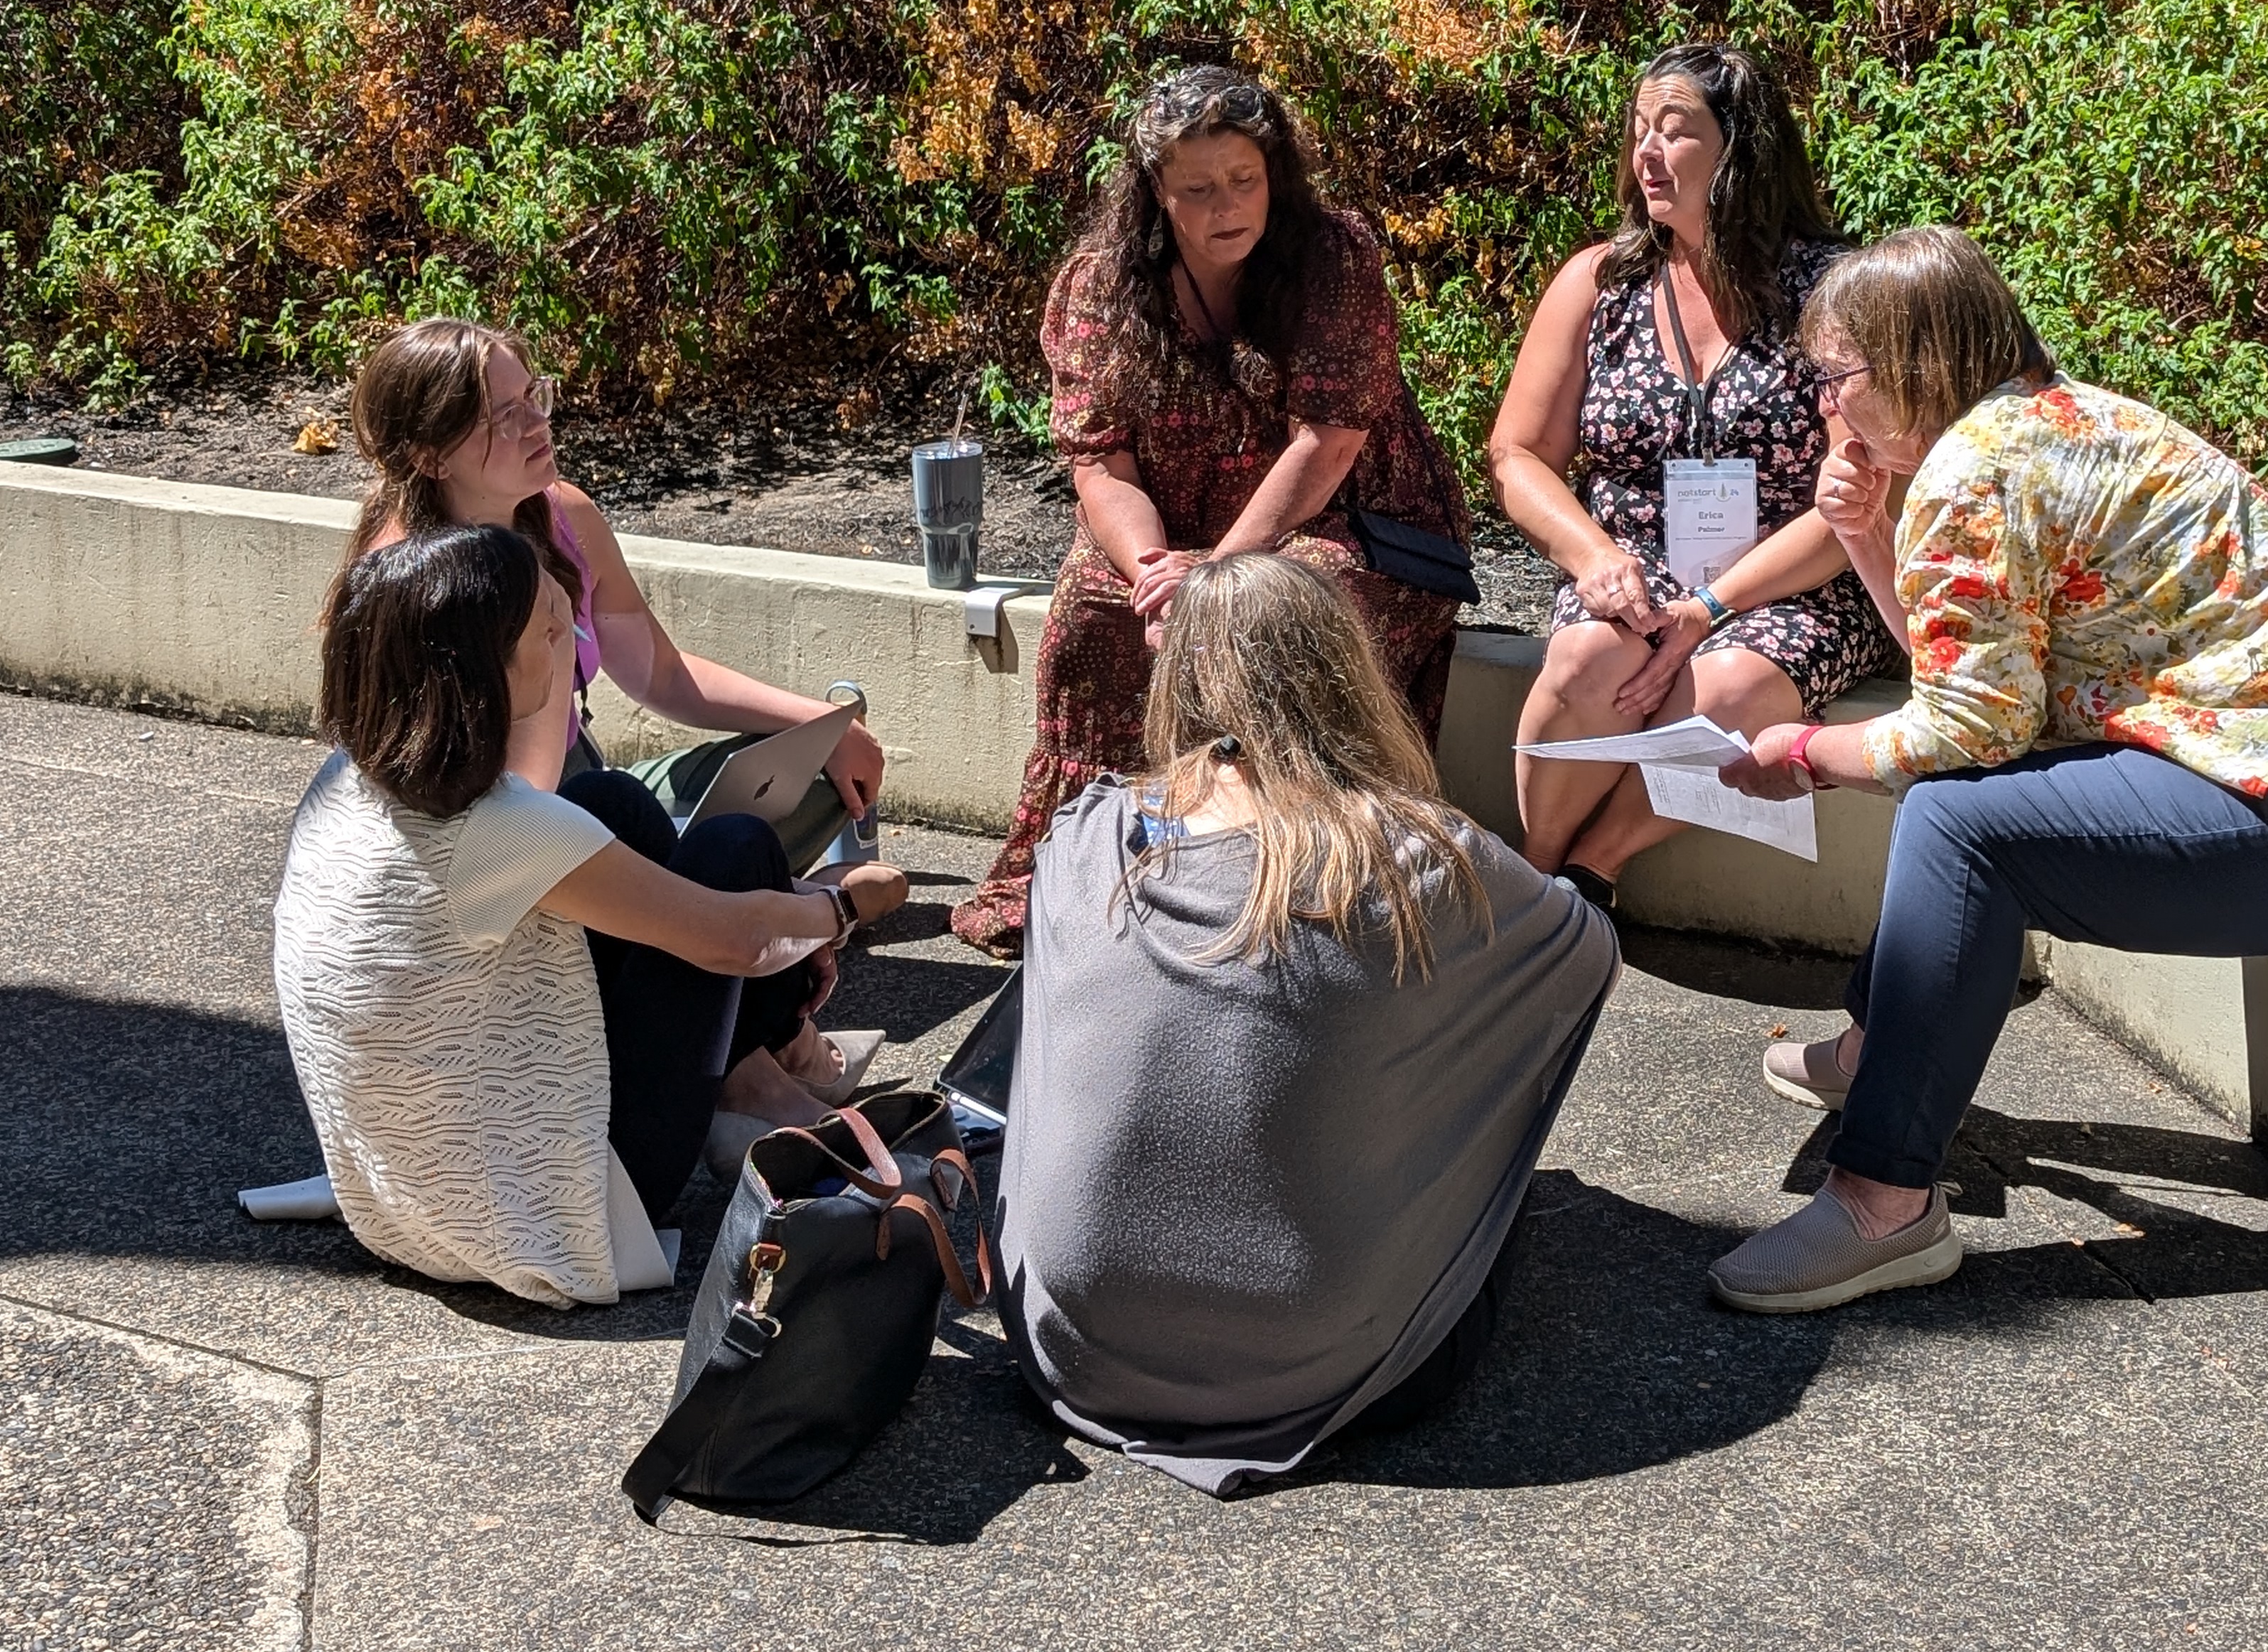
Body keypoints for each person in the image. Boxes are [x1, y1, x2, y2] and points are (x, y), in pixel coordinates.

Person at [1705, 227, 2268, 1312]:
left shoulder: (1977, 475)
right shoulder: (2047, 420)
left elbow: (1969, 734)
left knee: (1957, 825)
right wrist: (1866, 533)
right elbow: (1963, 694)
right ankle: (1881, 1049)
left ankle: (1886, 1205)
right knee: (1954, 803)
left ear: (1916, 363)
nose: (1824, 408)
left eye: (1835, 378)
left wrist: (1805, 755)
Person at [995, 553, 1618, 1494]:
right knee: (1484, 1127)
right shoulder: (1427, 862)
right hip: (1341, 1364)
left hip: (1073, 1346)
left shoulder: (1087, 835)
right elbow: (1583, 955)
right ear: (1348, 672)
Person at [271, 527, 907, 1308]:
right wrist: (844, 904)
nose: (566, 638)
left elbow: (538, 793)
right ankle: (763, 1076)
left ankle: (762, 1070)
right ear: (482, 675)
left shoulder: (347, 784)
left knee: (609, 802)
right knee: (735, 852)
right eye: (547, 630)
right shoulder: (500, 832)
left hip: (404, 1204)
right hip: (557, 1215)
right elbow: (737, 937)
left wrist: (542, 632)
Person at [955, 66, 1471, 954]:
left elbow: (1329, 442)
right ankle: (1090, 868)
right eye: (1198, 189)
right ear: (1158, 190)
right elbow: (1100, 458)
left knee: (1280, 619)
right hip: (1175, 530)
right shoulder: (1100, 282)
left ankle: (1309, 873)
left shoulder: (1332, 260)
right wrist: (1156, 571)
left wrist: (1216, 579)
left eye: (1244, 181)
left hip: (1344, 516)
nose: (1226, 206)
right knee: (1092, 614)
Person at [1487, 42, 1896, 907]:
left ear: (1740, 150)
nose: (1647, 153)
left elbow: (1852, 498)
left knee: (1734, 684)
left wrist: (1713, 607)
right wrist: (1593, 556)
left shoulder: (1832, 295)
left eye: (1674, 132)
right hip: (1637, 564)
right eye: (1639, 131)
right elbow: (1517, 455)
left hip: (1799, 581)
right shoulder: (1600, 283)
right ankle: (1537, 881)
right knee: (1590, 661)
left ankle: (1594, 871)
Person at [343, 316, 889, 872]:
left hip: (589, 785)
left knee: (813, 766)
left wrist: (820, 722)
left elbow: (663, 677)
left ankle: (731, 898)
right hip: (499, 831)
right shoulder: (411, 586)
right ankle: (761, 904)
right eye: (506, 417)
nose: (537, 423)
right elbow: (488, 807)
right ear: (430, 457)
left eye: (534, 396)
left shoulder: (564, 515)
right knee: (678, 841)